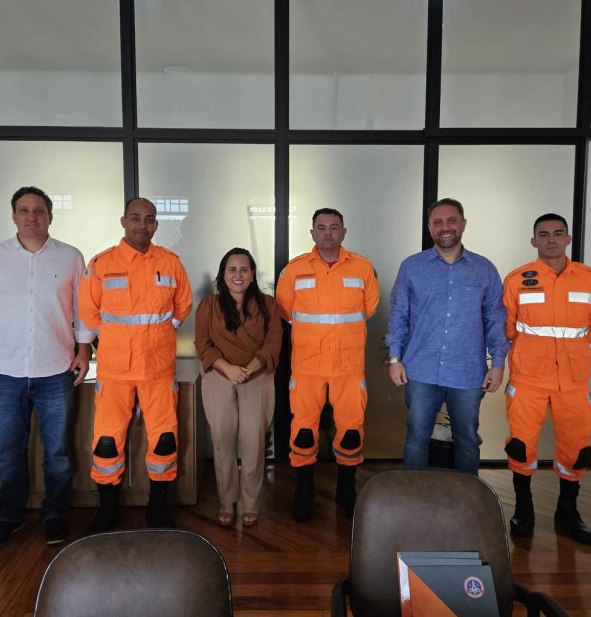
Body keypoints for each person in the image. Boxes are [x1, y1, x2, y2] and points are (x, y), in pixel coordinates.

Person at [0, 186, 93, 549]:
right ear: (14, 216)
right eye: (24, 210)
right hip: (4, 371)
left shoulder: (70, 257)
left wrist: (84, 351)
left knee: (58, 452)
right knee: (8, 451)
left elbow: (82, 310)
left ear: (50, 216)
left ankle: (55, 515)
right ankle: (10, 517)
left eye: (39, 210)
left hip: (56, 370)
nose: (31, 216)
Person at [79, 198, 192, 531]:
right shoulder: (101, 264)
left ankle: (158, 506)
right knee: (107, 440)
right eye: (135, 218)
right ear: (123, 221)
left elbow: (182, 308)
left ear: (156, 225)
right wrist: (117, 341)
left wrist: (157, 336)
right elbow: (89, 313)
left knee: (165, 438)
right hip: (114, 370)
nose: (142, 225)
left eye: (149, 219)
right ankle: (107, 507)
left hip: (158, 369)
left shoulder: (171, 263)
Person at [503, 213, 591, 545]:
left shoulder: (590, 279)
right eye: (543, 234)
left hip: (574, 380)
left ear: (568, 239)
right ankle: (524, 509)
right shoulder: (518, 279)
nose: (551, 239)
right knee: (521, 445)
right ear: (533, 241)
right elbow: (506, 327)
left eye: (558, 233)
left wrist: (575, 354)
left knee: (577, 449)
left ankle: (567, 512)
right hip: (529, 377)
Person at [386, 198, 508, 476]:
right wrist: (395, 358)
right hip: (420, 370)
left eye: (451, 220)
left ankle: (466, 502)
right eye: (438, 222)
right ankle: (414, 497)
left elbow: (495, 317)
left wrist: (498, 364)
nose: (445, 227)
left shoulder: (484, 269)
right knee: (417, 437)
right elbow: (398, 315)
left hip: (468, 373)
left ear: (463, 224)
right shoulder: (412, 267)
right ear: (430, 227)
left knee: (466, 438)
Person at [276, 208, 379, 521]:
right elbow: (285, 311)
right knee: (303, 431)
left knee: (350, 431)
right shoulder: (294, 271)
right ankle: (304, 490)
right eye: (321, 228)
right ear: (312, 234)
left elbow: (370, 309)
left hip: (349, 367)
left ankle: (345, 489)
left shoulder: (362, 268)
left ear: (344, 232)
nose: (328, 233)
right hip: (307, 367)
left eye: (334, 228)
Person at [194, 248, 282, 528]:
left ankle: (251, 501)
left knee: (254, 442)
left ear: (253, 274)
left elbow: (273, 342)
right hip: (220, 375)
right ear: (223, 274)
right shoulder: (208, 306)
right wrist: (228, 369)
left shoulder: (267, 305)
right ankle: (226, 500)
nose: (238, 275)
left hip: (256, 376)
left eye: (244, 269)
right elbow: (202, 344)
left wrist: (252, 367)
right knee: (222, 440)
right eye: (232, 269)